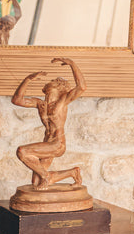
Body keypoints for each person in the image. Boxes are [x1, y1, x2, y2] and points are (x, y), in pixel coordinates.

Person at [11, 57, 86, 189]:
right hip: (47, 143)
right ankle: (72, 172)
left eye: (52, 81)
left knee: (22, 151)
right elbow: (17, 100)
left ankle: (46, 176)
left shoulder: (62, 102)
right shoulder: (41, 104)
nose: (48, 81)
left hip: (57, 144)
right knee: (35, 183)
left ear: (58, 86)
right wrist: (28, 79)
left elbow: (81, 87)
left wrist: (72, 64)